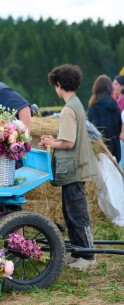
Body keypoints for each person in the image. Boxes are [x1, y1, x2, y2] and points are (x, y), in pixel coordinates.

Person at [40, 64, 99, 271]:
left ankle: (88, 257)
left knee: (77, 214)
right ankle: (78, 253)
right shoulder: (77, 104)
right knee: (71, 212)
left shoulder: (67, 110)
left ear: (58, 85)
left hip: (73, 169)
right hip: (76, 168)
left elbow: (68, 142)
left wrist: (50, 141)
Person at [87, 75, 123, 163]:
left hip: (99, 149)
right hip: (115, 147)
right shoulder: (115, 106)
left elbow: (90, 130)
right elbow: (119, 127)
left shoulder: (94, 108)